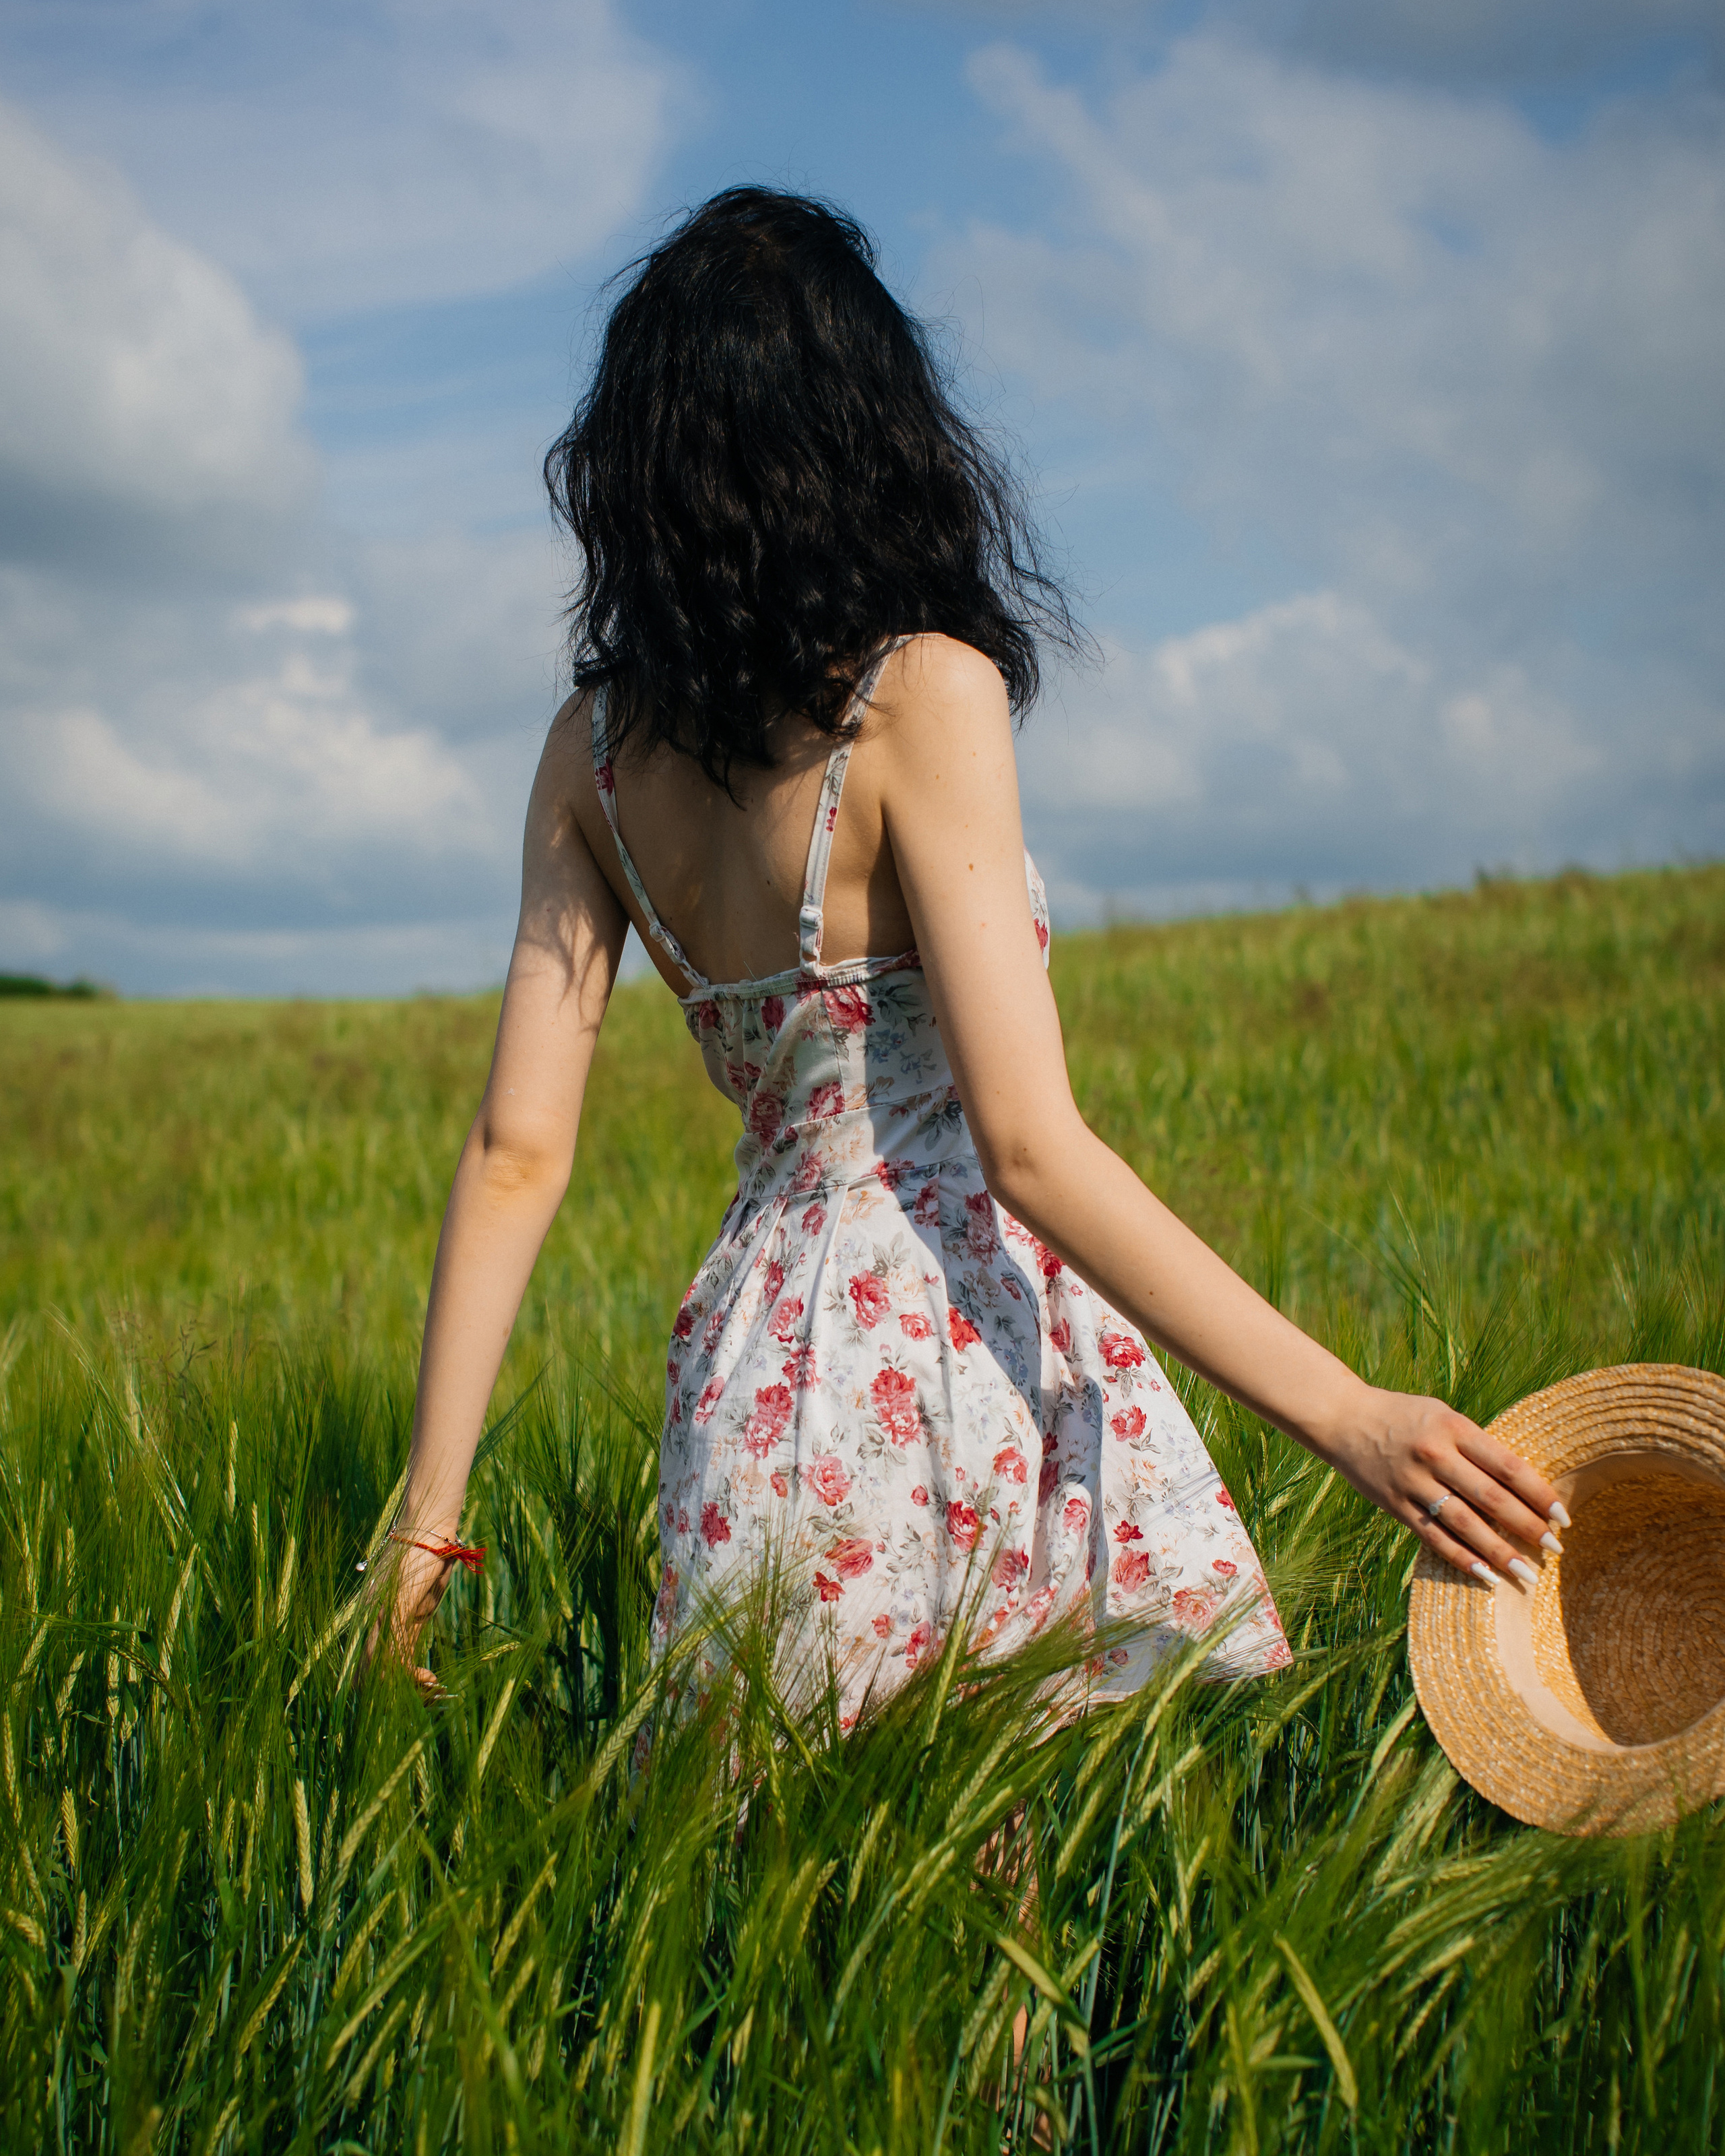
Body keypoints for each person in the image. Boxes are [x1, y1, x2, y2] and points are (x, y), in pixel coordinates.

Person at [381, 187, 1567, 1713]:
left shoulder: (590, 751)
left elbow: (512, 1152)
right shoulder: (919, 693)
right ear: (868, 432)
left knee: (801, 1915)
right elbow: (1026, 1146)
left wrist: (429, 1510)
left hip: (750, 1376)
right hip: (952, 1349)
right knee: (1005, 1909)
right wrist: (1345, 1412)